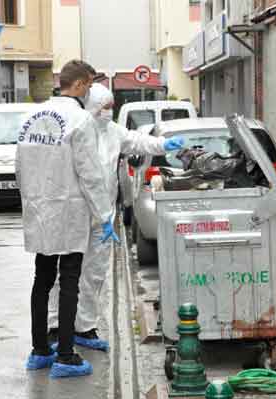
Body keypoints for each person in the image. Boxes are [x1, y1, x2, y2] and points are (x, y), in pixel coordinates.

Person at [47, 83, 185, 351]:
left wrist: (164, 144)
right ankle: (55, 327)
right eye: (103, 107)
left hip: (103, 217)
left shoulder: (113, 132)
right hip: (74, 214)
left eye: (111, 107)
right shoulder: (74, 130)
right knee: (63, 273)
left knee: (94, 272)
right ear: (91, 107)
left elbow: (138, 140)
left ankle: (84, 327)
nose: (108, 112)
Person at [15, 60, 118, 378]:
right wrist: (104, 215)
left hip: (40, 209)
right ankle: (66, 356)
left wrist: (31, 201)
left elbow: (19, 166)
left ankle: (39, 351)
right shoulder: (80, 119)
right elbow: (90, 173)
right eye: (89, 85)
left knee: (42, 279)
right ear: (81, 85)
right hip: (70, 210)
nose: (90, 91)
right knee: (70, 279)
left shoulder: (30, 116)